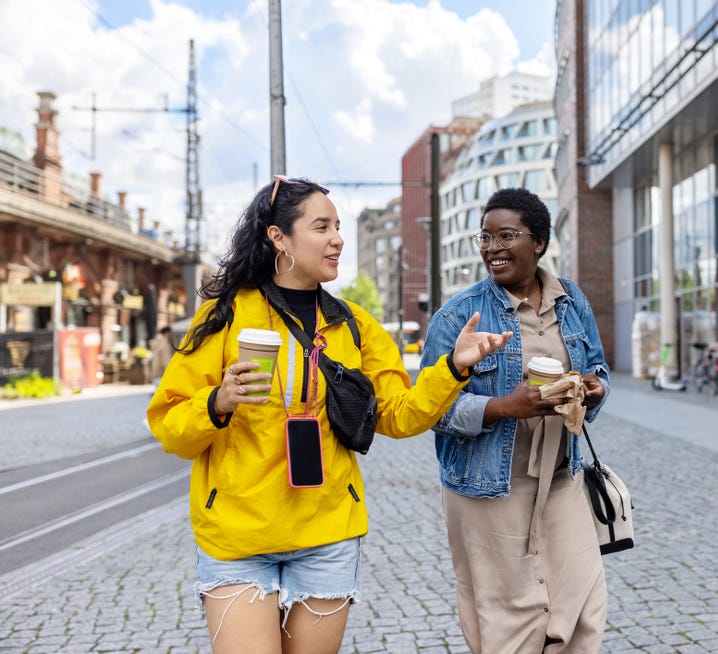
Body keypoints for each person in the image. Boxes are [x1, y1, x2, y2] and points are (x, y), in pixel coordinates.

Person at [146, 176, 511, 654]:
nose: (338, 238)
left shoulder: (354, 325)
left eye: (338, 226)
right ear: (279, 237)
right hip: (237, 536)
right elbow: (171, 428)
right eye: (322, 226)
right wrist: (218, 401)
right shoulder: (226, 314)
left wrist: (452, 368)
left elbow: (399, 416)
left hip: (327, 535)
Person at [419, 187, 611, 653]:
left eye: (506, 235)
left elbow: (599, 368)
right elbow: (430, 409)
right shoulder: (461, 315)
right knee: (510, 617)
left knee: (584, 606)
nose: (492, 248)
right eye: (484, 237)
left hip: (561, 479)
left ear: (539, 241)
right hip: (488, 486)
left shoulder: (572, 301)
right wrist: (507, 406)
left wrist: (594, 387)